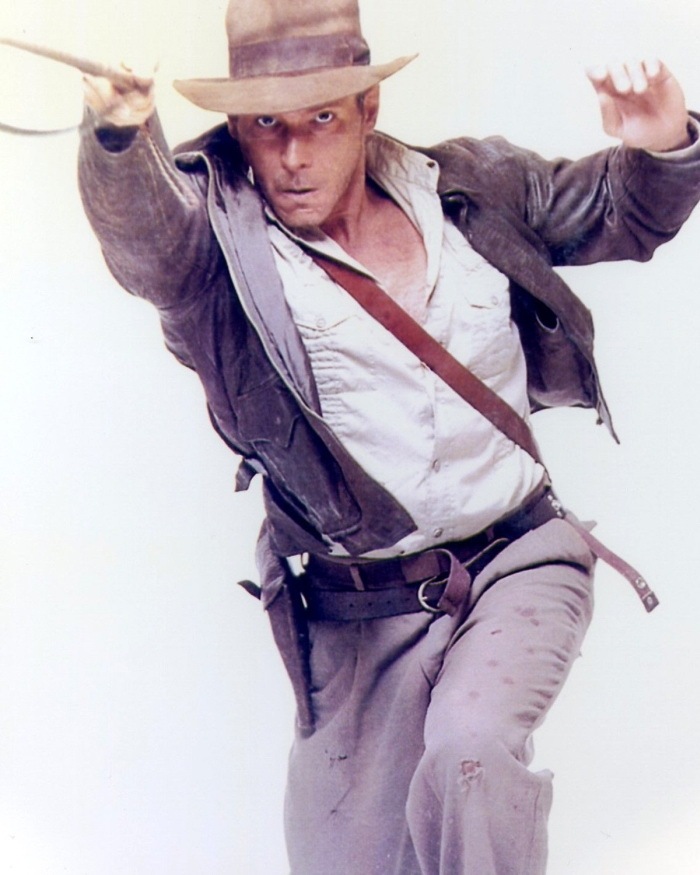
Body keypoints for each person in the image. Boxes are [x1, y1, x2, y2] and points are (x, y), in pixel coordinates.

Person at [76, 0, 700, 872]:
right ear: (238, 129)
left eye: (321, 119)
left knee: (470, 752)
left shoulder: (470, 187)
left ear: (368, 108)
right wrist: (118, 139)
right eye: (266, 126)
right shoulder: (225, 258)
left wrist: (663, 141)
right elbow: (149, 244)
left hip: (518, 559)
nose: (293, 155)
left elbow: (617, 211)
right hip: (357, 611)